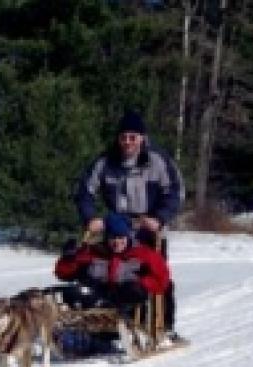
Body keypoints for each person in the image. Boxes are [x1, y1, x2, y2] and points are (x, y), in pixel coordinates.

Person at [74, 109, 184, 342]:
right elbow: (84, 191)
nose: (127, 142)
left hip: (149, 226)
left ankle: (164, 326)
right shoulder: (105, 162)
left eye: (132, 137)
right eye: (123, 137)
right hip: (117, 227)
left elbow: (175, 192)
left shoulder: (158, 161)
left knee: (156, 276)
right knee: (107, 275)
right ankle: (107, 325)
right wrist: (90, 217)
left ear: (142, 138)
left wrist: (160, 217)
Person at [54, 214, 171, 319]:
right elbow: (63, 273)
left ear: (128, 237)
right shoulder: (94, 252)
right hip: (97, 296)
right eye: (112, 238)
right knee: (71, 292)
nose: (117, 242)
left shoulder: (143, 254)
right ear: (106, 238)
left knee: (134, 291)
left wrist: (142, 283)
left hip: (127, 300)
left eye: (121, 238)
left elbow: (162, 279)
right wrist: (68, 258)